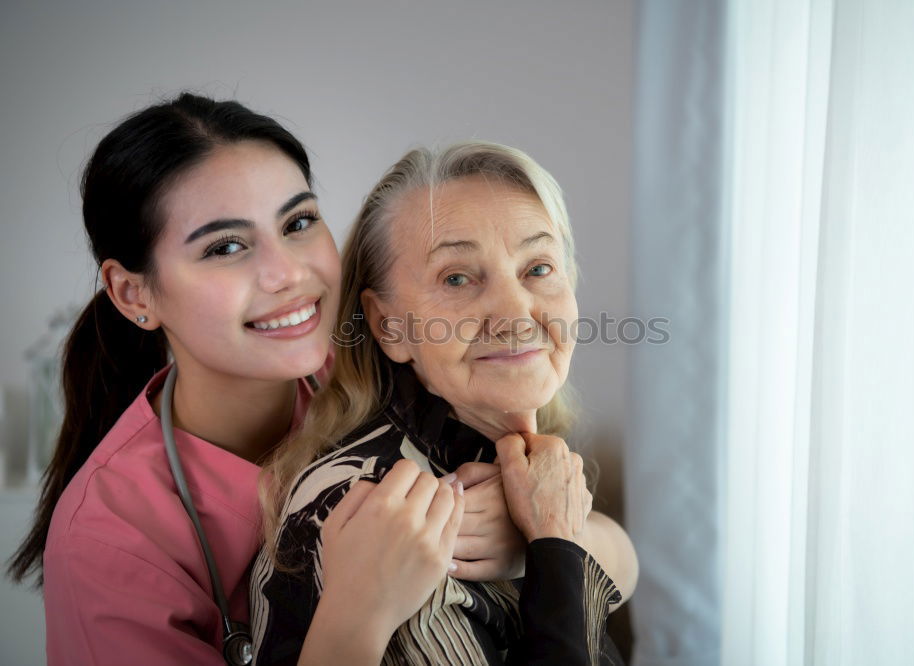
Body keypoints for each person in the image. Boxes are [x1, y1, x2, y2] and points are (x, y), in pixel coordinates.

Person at [6, 94, 636, 665]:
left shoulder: (378, 372)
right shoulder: (108, 538)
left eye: (298, 222)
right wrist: (356, 609)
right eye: (225, 247)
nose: (288, 273)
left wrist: (532, 541)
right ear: (132, 292)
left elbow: (618, 557)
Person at [253, 141, 638, 665]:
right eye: (457, 278)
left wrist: (541, 542)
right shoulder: (386, 513)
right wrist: (552, 546)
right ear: (390, 326)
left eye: (538, 268)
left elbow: (624, 560)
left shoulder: (497, 447)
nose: (516, 313)